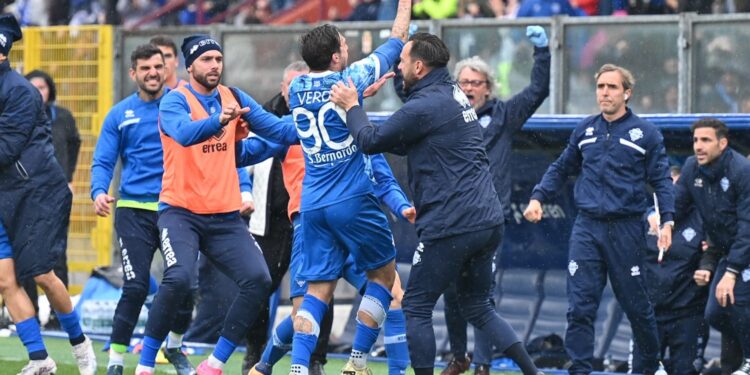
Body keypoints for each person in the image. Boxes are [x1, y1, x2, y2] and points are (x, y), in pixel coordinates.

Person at [329, 32, 542, 375]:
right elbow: (407, 139)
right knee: (478, 306)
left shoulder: (425, 106)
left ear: (419, 66)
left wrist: (353, 106)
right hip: (487, 221)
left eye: (401, 62)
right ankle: (534, 373)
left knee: (416, 305)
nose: (397, 68)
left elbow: (370, 141)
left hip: (452, 223)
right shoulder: (453, 94)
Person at [134, 34, 287, 375]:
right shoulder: (174, 101)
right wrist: (220, 121)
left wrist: (324, 117)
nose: (214, 65)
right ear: (190, 66)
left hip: (224, 217)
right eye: (206, 60)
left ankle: (214, 363)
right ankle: (144, 365)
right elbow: (185, 135)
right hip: (181, 213)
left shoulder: (234, 97)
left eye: (218, 59)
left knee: (259, 280)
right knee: (179, 280)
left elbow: (276, 131)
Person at [277, 3, 412, 374]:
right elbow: (397, 40)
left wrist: (359, 95)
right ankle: (358, 362)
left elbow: (329, 101)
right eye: (344, 44)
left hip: (313, 204)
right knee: (385, 280)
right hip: (351, 199)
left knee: (315, 295)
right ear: (336, 56)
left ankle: (299, 369)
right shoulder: (351, 77)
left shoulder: (299, 86)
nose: (349, 48)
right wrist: (405, 4)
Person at [522, 63, 674, 375]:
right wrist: (538, 197)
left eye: (612, 87)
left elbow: (661, 182)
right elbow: (561, 167)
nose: (604, 92)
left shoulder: (645, 134)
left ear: (627, 93)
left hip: (626, 228)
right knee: (579, 307)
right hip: (587, 227)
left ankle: (648, 367)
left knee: (637, 307)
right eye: (600, 86)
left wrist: (667, 221)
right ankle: (579, 370)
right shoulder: (585, 130)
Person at [438, 26, 551, 375]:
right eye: (464, 83)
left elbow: (537, 91)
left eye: (476, 83)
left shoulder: (503, 115)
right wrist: (405, 54)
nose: (470, 88)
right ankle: (459, 356)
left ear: (488, 88)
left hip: (488, 220)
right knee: (451, 293)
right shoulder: (444, 114)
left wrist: (542, 52)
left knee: (482, 296)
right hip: (451, 219)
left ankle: (483, 364)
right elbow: (408, 96)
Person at [91, 44, 207, 375]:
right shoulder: (119, 114)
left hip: (178, 209)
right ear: (133, 73)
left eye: (158, 66)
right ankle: (115, 362)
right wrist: (99, 191)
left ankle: (173, 346)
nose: (153, 73)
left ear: (166, 68)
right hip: (133, 210)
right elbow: (103, 160)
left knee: (186, 285)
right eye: (145, 68)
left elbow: (215, 146)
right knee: (136, 286)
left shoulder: (184, 105)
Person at [0, 13, 96, 375]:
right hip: (3, 195)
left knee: (41, 273)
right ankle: (40, 358)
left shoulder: (20, 92)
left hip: (35, 193)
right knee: (5, 280)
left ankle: (80, 345)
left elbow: (5, 150)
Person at [672, 118, 750, 375]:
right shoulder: (692, 168)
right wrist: (660, 218)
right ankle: (737, 361)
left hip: (746, 250)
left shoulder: (741, 171)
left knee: (736, 301)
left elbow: (747, 226)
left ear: (723, 143)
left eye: (706, 140)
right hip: (729, 251)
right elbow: (676, 205)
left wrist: (731, 272)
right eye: (695, 140)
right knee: (715, 313)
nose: (698, 146)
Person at [630, 166, 709, 375]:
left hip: (688, 313)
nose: (673, 193)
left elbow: (716, 252)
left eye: (678, 185)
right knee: (641, 369)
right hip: (650, 313)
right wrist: (649, 213)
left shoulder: (703, 219)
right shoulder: (647, 218)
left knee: (686, 370)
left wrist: (706, 267)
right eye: (667, 187)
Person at [23, 69, 81, 329]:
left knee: (57, 255)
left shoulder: (63, 118)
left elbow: (75, 144)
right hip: (24, 196)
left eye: (43, 87)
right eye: (32, 87)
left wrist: (68, 178)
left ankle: (60, 316)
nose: (38, 92)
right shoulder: (18, 116)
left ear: (50, 90)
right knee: (25, 253)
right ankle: (29, 313)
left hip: (55, 196)